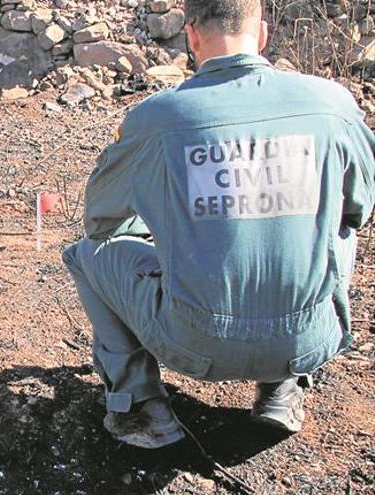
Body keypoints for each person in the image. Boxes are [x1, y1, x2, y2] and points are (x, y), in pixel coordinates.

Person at [62, 0, 375, 449]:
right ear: (263, 34)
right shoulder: (333, 105)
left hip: (196, 343)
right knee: (337, 227)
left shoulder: (159, 117)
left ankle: (140, 406)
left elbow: (100, 221)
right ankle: (281, 389)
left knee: (85, 255)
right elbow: (359, 207)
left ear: (190, 36)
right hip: (309, 338)